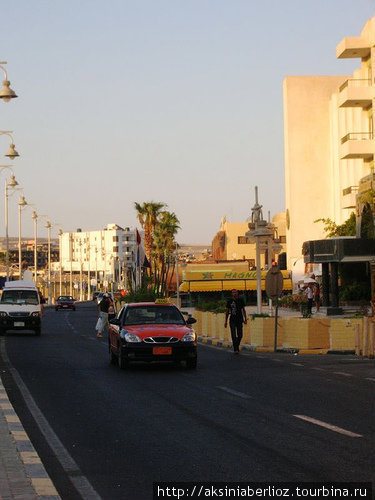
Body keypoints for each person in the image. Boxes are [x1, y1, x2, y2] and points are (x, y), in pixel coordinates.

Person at [224, 289, 247, 353]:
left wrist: (245, 319)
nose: (234, 293)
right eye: (233, 292)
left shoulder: (240, 300)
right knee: (233, 335)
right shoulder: (229, 301)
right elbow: (227, 311)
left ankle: (236, 345)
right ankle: (236, 348)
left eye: (235, 292)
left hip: (240, 319)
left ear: (237, 293)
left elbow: (243, 310)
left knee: (240, 335)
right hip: (232, 320)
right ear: (231, 294)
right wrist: (225, 321)